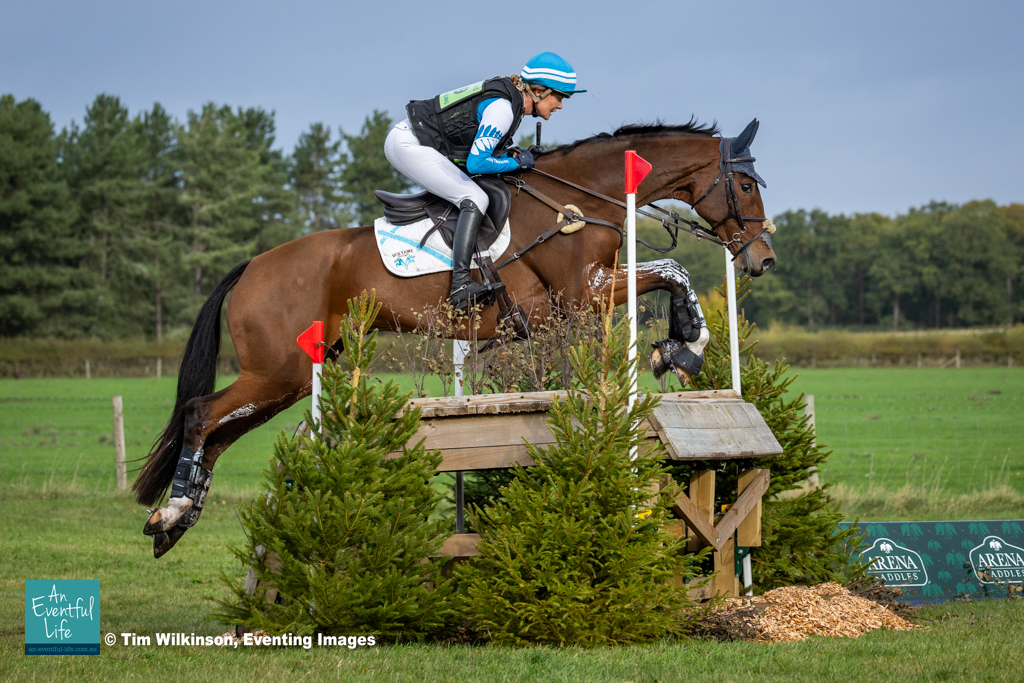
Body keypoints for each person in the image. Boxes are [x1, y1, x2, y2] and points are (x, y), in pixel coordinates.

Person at [384, 52, 585, 310]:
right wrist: (516, 162)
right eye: (558, 97)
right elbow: (476, 163)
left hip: (419, 142)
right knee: (475, 198)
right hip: (408, 145)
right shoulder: (503, 108)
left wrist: (512, 154)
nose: (560, 106)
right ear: (537, 91)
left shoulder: (509, 101)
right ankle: (460, 285)